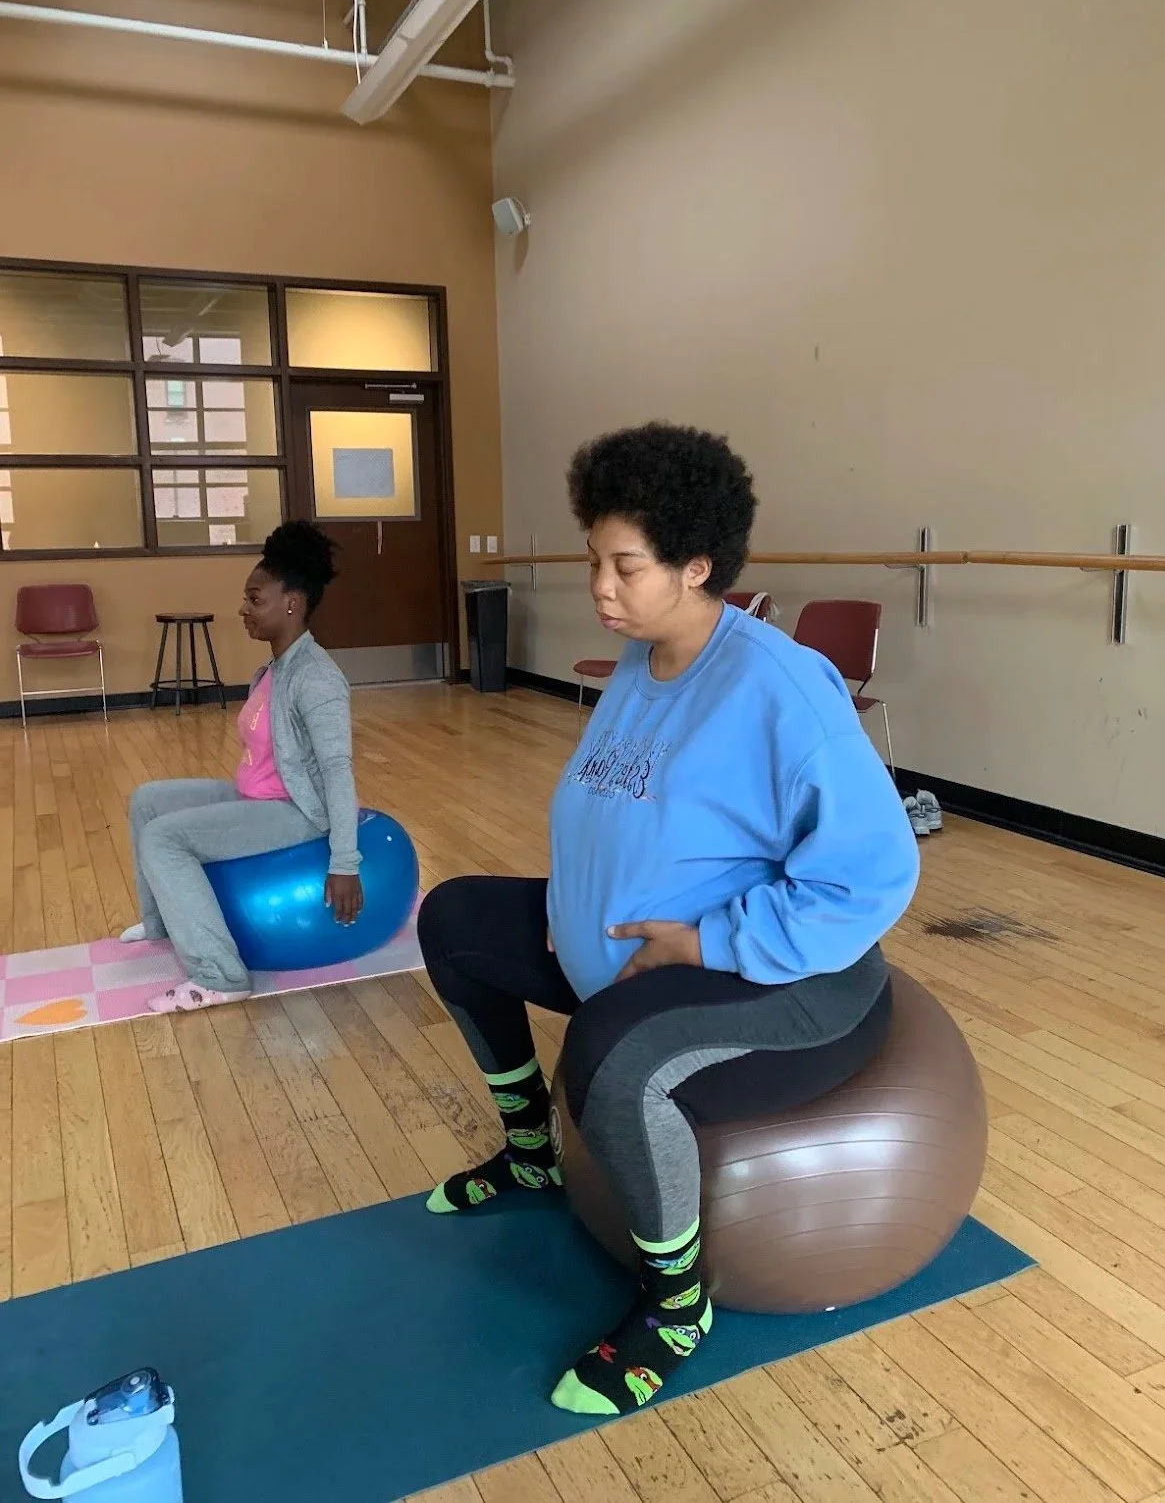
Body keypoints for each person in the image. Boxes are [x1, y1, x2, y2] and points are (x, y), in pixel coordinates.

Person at [418, 422, 921, 1417]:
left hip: (792, 978)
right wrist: (571, 907)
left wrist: (705, 941)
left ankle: (675, 1304)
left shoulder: (778, 688)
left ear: (697, 565)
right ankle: (531, 1150)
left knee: (609, 1051)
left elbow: (870, 877)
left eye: (624, 565)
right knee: (455, 921)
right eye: (591, 558)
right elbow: (609, 811)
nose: (598, 584)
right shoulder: (643, 663)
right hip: (636, 950)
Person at [121, 520, 363, 1014]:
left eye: (256, 599)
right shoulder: (273, 670)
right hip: (256, 795)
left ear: (291, 603)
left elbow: (338, 771)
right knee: (148, 801)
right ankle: (162, 922)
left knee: (165, 838)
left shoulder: (317, 678)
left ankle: (220, 975)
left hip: (294, 811)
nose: (243, 609)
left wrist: (344, 863)